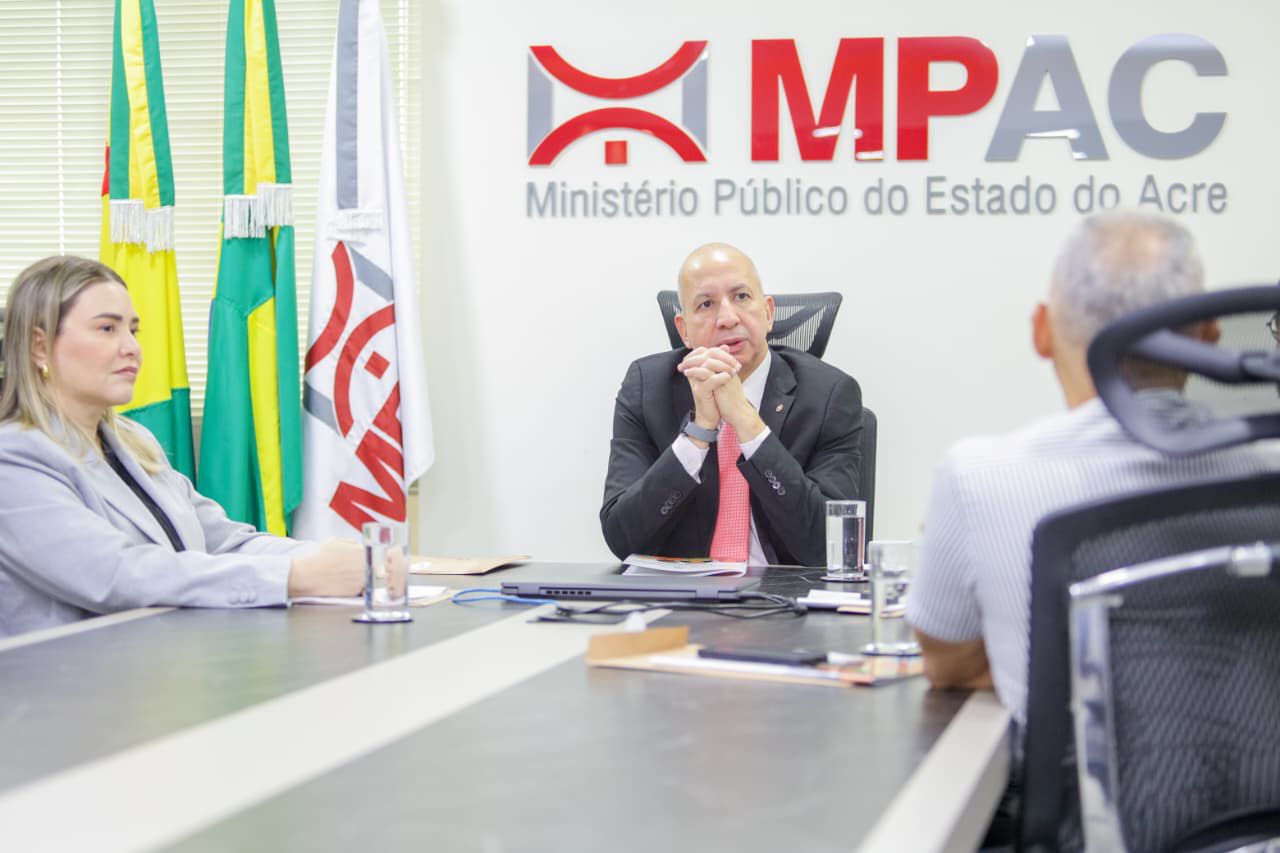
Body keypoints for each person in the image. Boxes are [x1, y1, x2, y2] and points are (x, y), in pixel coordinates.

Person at [906, 212, 1274, 725]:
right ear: (1210, 338)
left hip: (1077, 780)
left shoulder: (978, 479)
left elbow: (949, 666)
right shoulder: (1267, 476)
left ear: (1041, 332)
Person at [0, 256, 366, 638]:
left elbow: (225, 543)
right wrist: (295, 577)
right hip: (71, 673)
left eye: (133, 330)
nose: (132, 348)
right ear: (40, 347)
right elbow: (116, 574)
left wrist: (351, 563)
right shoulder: (13, 459)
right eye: (107, 328)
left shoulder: (134, 442)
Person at [600, 242, 863, 567]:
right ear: (684, 330)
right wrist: (697, 434)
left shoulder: (829, 395)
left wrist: (746, 422)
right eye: (706, 304)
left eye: (741, 296)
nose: (727, 318)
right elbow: (622, 538)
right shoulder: (647, 388)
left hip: (783, 592)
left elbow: (831, 544)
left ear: (768, 313)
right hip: (683, 592)